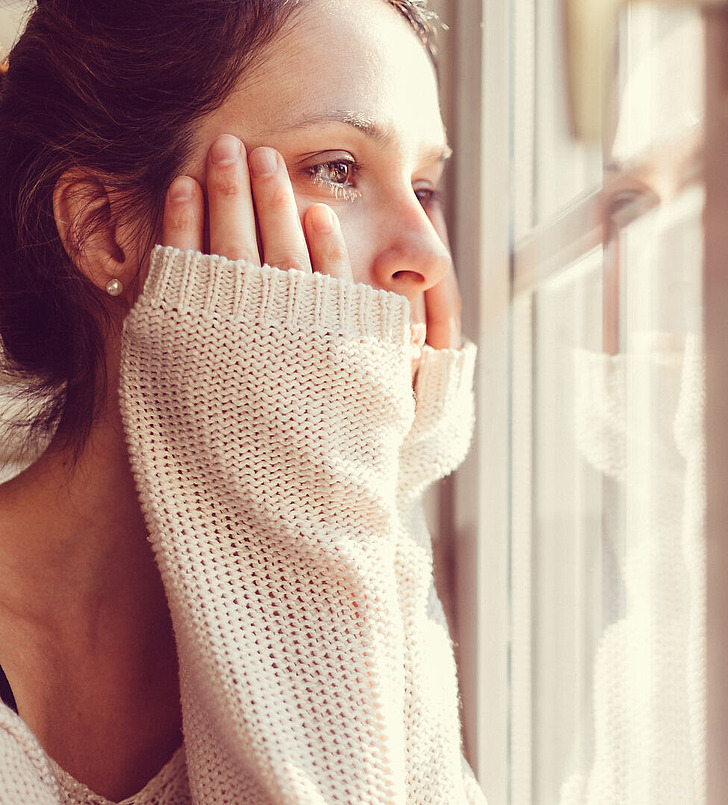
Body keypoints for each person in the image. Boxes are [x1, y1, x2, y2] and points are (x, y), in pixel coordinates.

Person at [0, 0, 483, 802]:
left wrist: (361, 500)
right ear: (102, 228)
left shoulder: (367, 582)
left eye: (425, 187)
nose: (427, 257)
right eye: (336, 167)